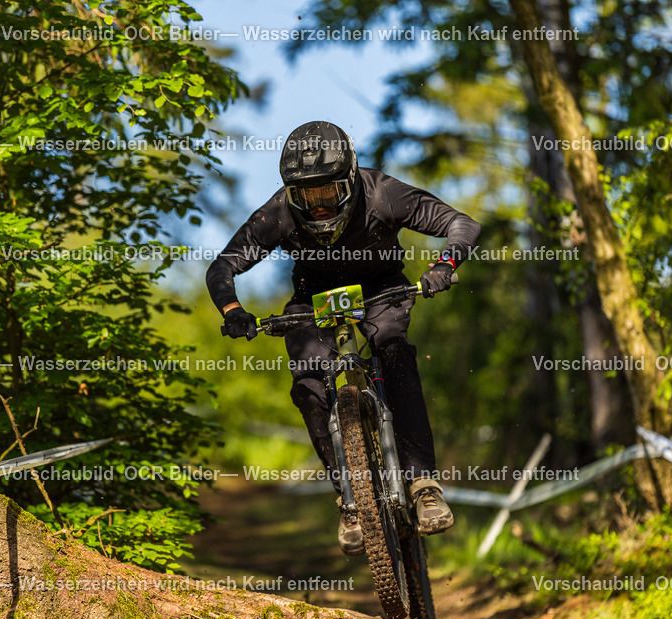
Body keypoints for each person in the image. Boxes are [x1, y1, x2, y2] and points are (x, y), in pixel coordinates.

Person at [206, 121, 480, 556]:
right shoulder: (278, 211)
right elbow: (223, 266)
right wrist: (234, 311)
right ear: (291, 194)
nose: (316, 206)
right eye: (305, 196)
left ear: (350, 179)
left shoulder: (384, 193)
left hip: (382, 291)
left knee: (395, 355)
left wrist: (444, 265)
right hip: (312, 302)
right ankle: (350, 501)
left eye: (326, 193)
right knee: (309, 385)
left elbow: (459, 222)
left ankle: (423, 484)